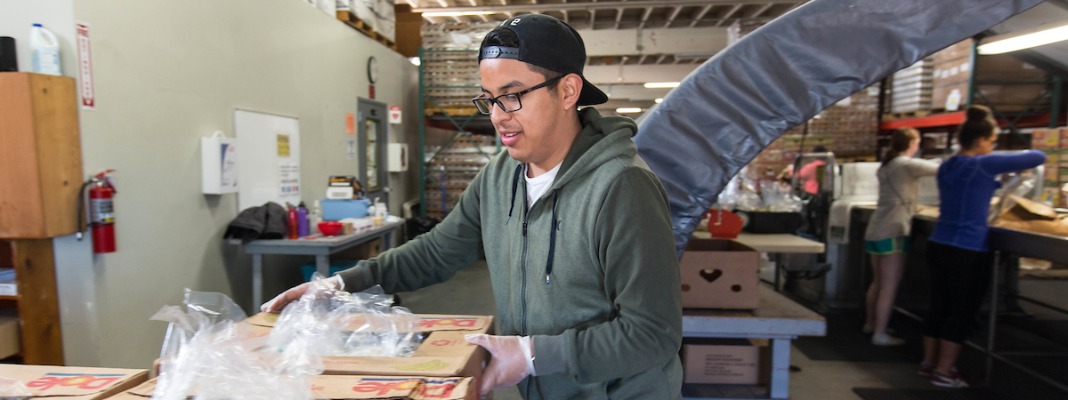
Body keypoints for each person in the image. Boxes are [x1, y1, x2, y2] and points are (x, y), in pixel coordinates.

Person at [262, 14, 683, 399]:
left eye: (513, 95)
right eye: (489, 99)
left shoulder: (622, 187)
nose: (498, 116)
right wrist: (341, 284)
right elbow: (437, 251)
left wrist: (531, 354)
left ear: (568, 90)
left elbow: (653, 333)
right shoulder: (501, 177)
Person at [920, 105, 1045, 388]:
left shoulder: (948, 166)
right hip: (967, 248)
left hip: (939, 243)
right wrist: (1006, 161)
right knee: (962, 310)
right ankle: (944, 371)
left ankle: (928, 364)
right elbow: (1039, 156)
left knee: (939, 306)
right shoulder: (982, 164)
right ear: (980, 140)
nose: (993, 146)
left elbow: (972, 191)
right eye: (992, 140)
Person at [862, 127, 939, 346]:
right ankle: (880, 333)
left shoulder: (886, 165)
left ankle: (870, 323)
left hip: (876, 227)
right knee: (890, 285)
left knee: (877, 282)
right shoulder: (905, 164)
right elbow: (940, 169)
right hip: (894, 229)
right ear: (912, 143)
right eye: (917, 142)